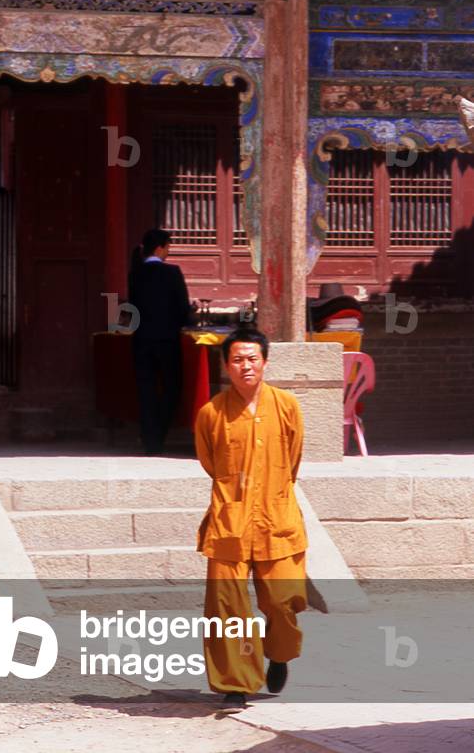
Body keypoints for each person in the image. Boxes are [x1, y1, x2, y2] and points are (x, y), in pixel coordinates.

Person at [194, 327, 307, 709]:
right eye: (237, 359)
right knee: (227, 605)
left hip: (277, 517)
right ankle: (236, 682)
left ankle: (278, 655)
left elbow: (292, 459)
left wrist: (271, 493)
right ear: (226, 365)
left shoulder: (287, 405)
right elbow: (211, 463)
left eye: (252, 358)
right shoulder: (211, 413)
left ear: (265, 362)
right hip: (230, 520)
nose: (245, 366)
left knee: (282, 601)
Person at [128, 228, 191, 455]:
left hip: (142, 339)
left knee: (146, 391)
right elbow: (183, 309)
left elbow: (132, 308)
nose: (168, 251)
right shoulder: (172, 273)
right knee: (172, 388)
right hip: (167, 340)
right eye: (168, 247)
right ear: (160, 247)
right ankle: (158, 437)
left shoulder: (135, 273)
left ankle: (149, 439)